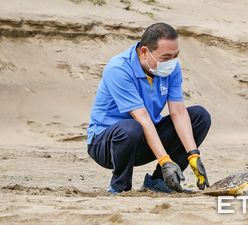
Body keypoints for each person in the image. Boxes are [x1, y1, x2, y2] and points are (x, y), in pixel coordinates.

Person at [86, 22, 212, 194]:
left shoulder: (172, 68)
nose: (172, 62)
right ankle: (120, 187)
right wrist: (165, 160)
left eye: (176, 55)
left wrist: (193, 155)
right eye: (166, 57)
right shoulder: (119, 68)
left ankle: (161, 182)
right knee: (131, 127)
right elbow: (142, 117)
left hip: (144, 138)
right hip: (107, 144)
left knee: (199, 116)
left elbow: (178, 112)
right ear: (145, 52)